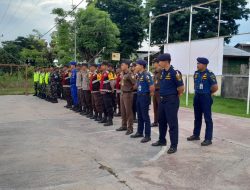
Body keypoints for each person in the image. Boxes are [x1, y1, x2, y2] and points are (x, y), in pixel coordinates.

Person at [152, 53, 184, 154]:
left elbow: (181, 88)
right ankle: (162, 140)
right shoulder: (162, 72)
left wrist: (174, 96)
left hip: (171, 100)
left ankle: (174, 145)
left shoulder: (175, 72)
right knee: (161, 121)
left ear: (166, 61)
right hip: (162, 100)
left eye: (160, 61)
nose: (158, 63)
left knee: (172, 123)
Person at [187, 57, 218, 146]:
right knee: (197, 117)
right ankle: (196, 135)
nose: (197, 65)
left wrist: (208, 93)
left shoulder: (210, 74)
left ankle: (208, 139)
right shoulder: (196, 73)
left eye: (199, 63)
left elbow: (215, 87)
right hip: (197, 96)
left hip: (205, 97)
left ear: (204, 65)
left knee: (207, 118)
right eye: (197, 63)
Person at [130, 60, 154, 143]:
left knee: (145, 116)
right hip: (139, 96)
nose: (135, 67)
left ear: (141, 66)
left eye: (137, 65)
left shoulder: (147, 74)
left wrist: (148, 97)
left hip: (144, 97)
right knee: (139, 115)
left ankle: (148, 136)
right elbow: (137, 85)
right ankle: (139, 132)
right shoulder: (139, 75)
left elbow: (151, 86)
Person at [116, 59, 136, 135]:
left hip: (128, 94)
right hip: (122, 93)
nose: (121, 66)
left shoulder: (130, 74)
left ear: (127, 65)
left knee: (128, 111)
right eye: (121, 65)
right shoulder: (123, 74)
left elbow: (135, 84)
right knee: (123, 111)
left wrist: (130, 90)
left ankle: (130, 128)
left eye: (122, 65)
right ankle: (123, 125)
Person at [100, 61, 116, 126]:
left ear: (106, 66)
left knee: (109, 106)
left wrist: (112, 89)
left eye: (102, 65)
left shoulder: (109, 73)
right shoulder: (103, 73)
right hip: (103, 92)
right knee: (104, 106)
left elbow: (112, 81)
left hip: (108, 92)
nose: (101, 67)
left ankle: (110, 120)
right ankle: (105, 118)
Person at [151, 58, 161, 127]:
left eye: (154, 63)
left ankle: (160, 121)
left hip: (159, 91)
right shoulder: (155, 72)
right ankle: (155, 121)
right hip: (155, 91)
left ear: (158, 63)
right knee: (155, 108)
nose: (153, 64)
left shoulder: (161, 71)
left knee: (160, 107)